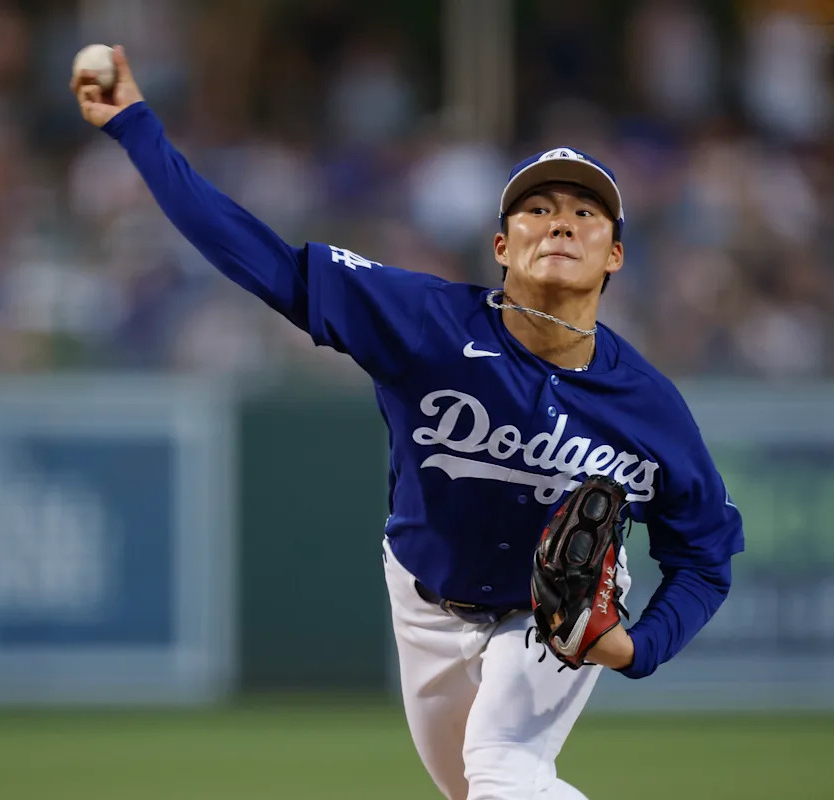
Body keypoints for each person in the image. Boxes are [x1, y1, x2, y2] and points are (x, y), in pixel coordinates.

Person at [73, 47, 744, 800]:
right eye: (537, 209)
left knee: (503, 770)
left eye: (585, 213)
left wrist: (638, 648)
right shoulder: (424, 322)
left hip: (549, 613)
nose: (561, 222)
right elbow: (264, 260)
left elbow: (706, 553)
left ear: (614, 254)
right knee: (474, 792)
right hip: (424, 603)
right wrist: (135, 127)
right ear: (501, 246)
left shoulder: (648, 407)